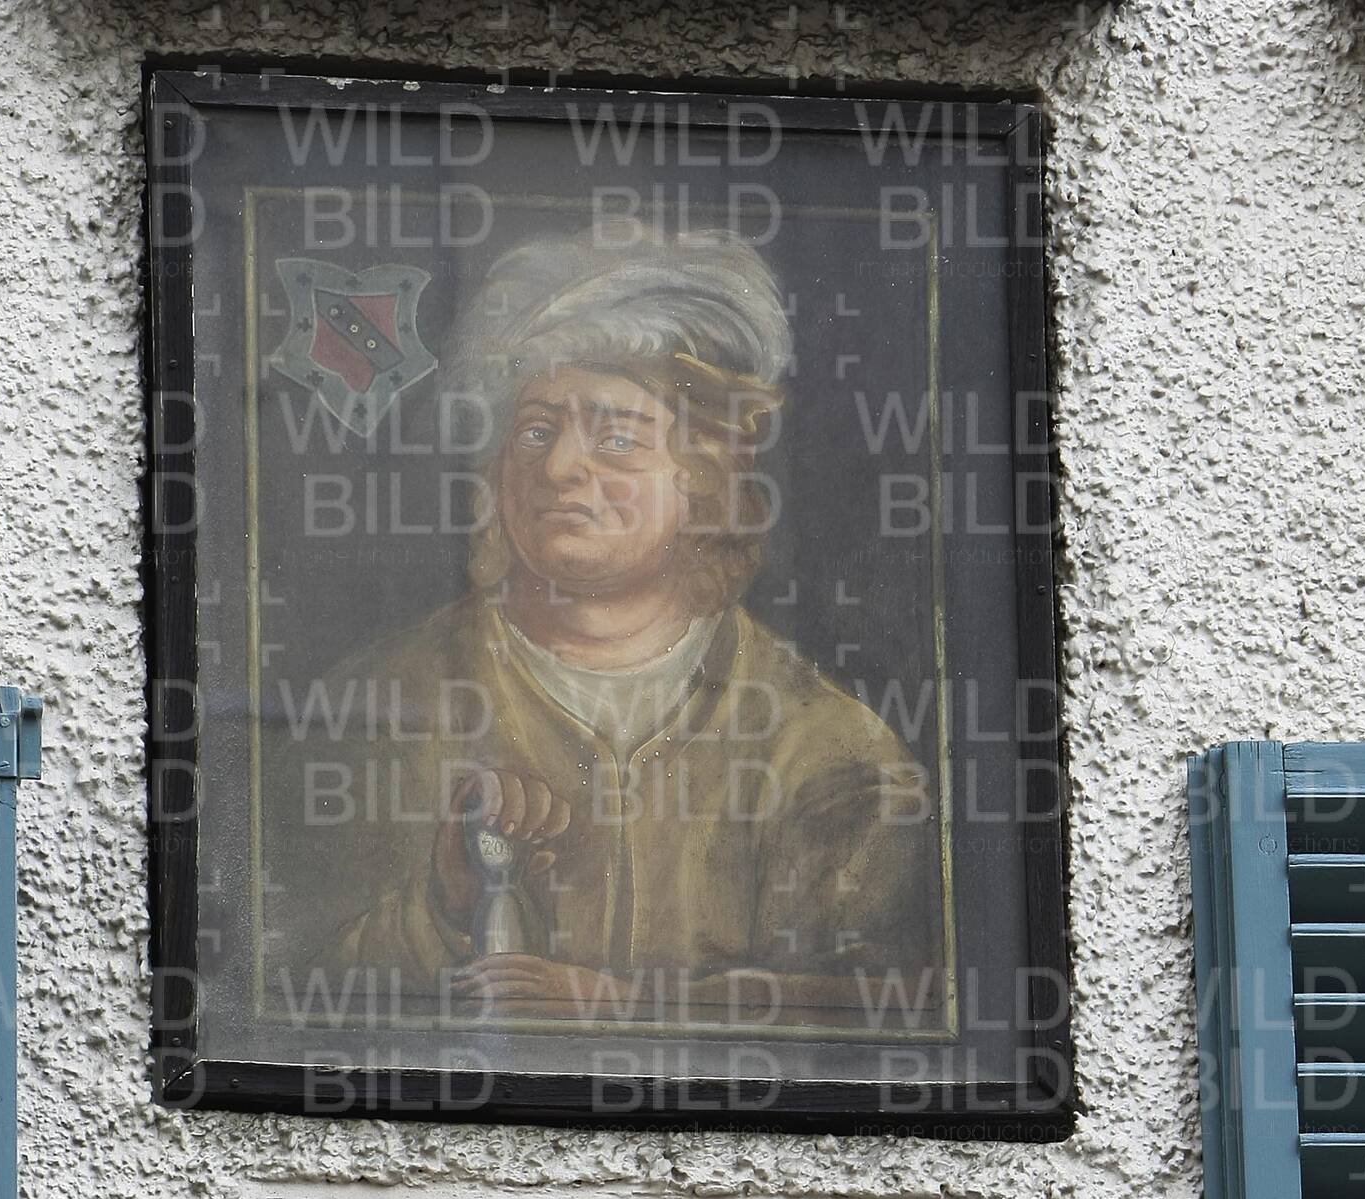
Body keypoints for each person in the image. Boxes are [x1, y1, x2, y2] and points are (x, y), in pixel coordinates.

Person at [299, 229, 945, 1034]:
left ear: (702, 477)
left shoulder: (829, 752)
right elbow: (276, 997)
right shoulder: (377, 707)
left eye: (616, 438)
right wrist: (442, 906)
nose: (560, 468)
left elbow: (902, 1014)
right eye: (536, 431)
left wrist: (629, 1008)